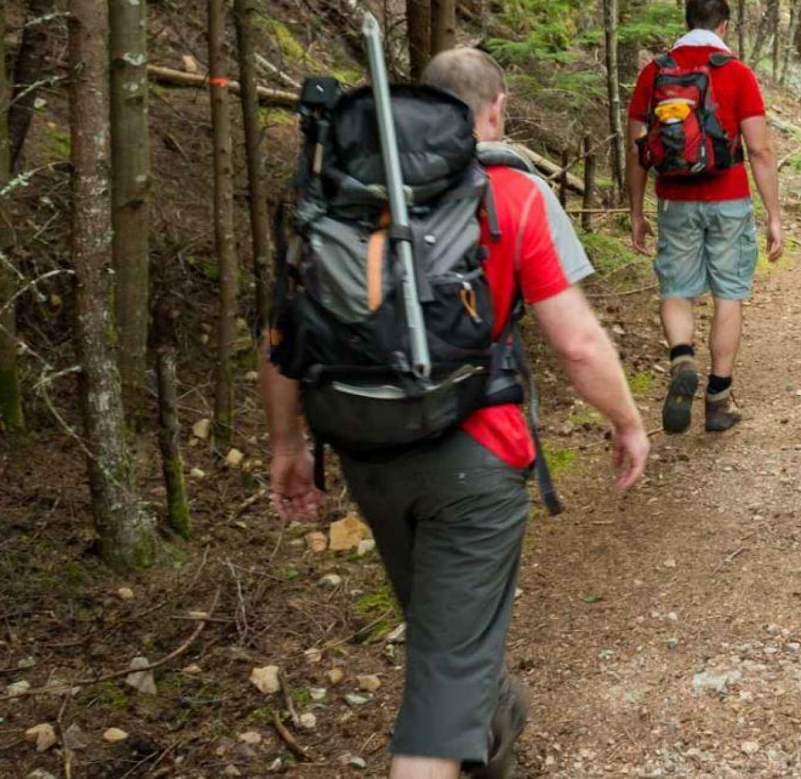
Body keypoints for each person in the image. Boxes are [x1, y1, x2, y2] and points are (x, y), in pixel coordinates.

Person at [262, 47, 652, 779]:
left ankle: (487, 720)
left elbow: (283, 333)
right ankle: (458, 734)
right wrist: (627, 420)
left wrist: (286, 444)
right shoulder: (510, 192)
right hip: (477, 455)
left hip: (363, 448)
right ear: (494, 107)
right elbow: (575, 341)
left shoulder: (340, 193)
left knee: (441, 629)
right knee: (441, 679)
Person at [627, 0, 784, 435]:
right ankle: (718, 399)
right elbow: (759, 149)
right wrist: (773, 214)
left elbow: (636, 150)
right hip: (729, 198)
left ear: (687, 20)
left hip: (675, 199)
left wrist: (637, 210)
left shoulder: (654, 73)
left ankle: (682, 357)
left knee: (676, 288)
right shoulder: (736, 73)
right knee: (728, 294)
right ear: (724, 26)